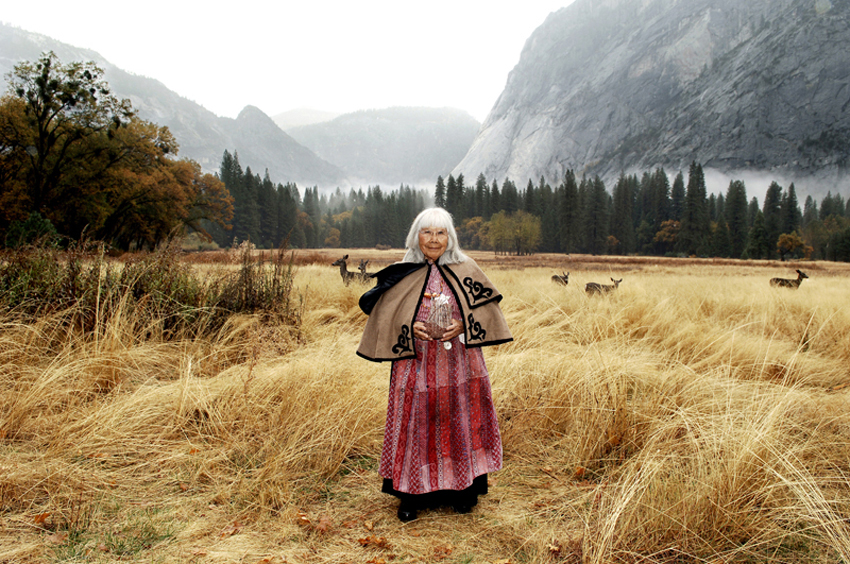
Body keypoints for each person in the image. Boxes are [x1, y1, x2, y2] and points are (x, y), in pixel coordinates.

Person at [357, 207, 512, 522]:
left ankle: (462, 492)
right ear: (417, 235)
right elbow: (381, 312)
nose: (433, 239)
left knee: (460, 422)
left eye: (441, 233)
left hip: (460, 364)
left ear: (450, 237)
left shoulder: (466, 268)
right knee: (416, 424)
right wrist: (407, 326)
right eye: (427, 232)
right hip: (415, 365)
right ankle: (411, 495)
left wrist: (464, 325)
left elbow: (487, 309)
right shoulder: (403, 270)